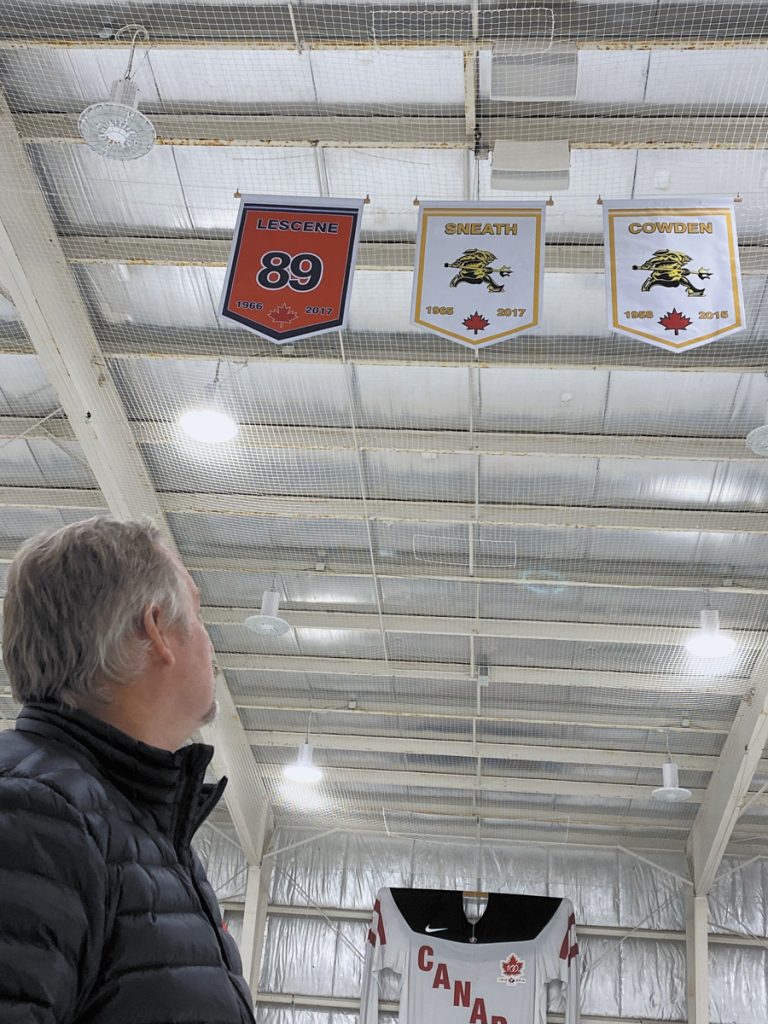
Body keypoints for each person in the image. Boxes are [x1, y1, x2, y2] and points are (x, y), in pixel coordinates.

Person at [0, 516, 256, 1023]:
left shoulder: (138, 832)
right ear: (156, 629)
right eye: (199, 615)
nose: (209, 642)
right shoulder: (35, 815)